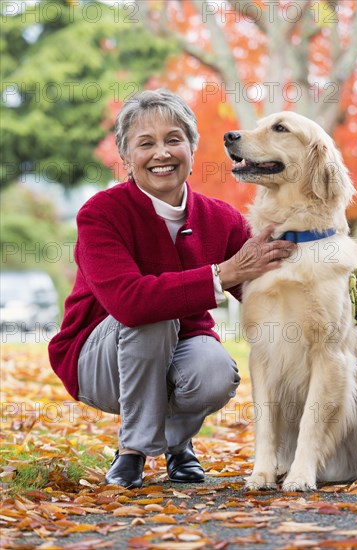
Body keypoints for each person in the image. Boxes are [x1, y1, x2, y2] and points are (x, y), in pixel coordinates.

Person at [48, 89, 298, 489]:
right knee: (152, 317)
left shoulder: (222, 218)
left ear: (192, 149)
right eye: (146, 144)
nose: (161, 153)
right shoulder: (100, 214)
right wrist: (223, 272)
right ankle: (133, 451)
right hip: (97, 359)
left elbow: (264, 285)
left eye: (173, 140)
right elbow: (130, 304)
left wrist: (339, 289)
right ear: (127, 158)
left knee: (215, 371)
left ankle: (177, 445)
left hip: (180, 351)